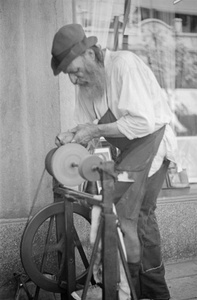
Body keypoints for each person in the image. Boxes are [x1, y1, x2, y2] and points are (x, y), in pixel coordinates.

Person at [51, 23, 178, 300]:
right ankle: (136, 288)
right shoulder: (88, 83)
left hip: (153, 140)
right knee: (133, 217)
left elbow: (142, 122)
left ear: (91, 55)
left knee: (129, 217)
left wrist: (94, 130)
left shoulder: (124, 65)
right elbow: (86, 128)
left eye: (75, 71)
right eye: (69, 76)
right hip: (130, 149)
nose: (74, 80)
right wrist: (71, 137)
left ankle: (140, 291)